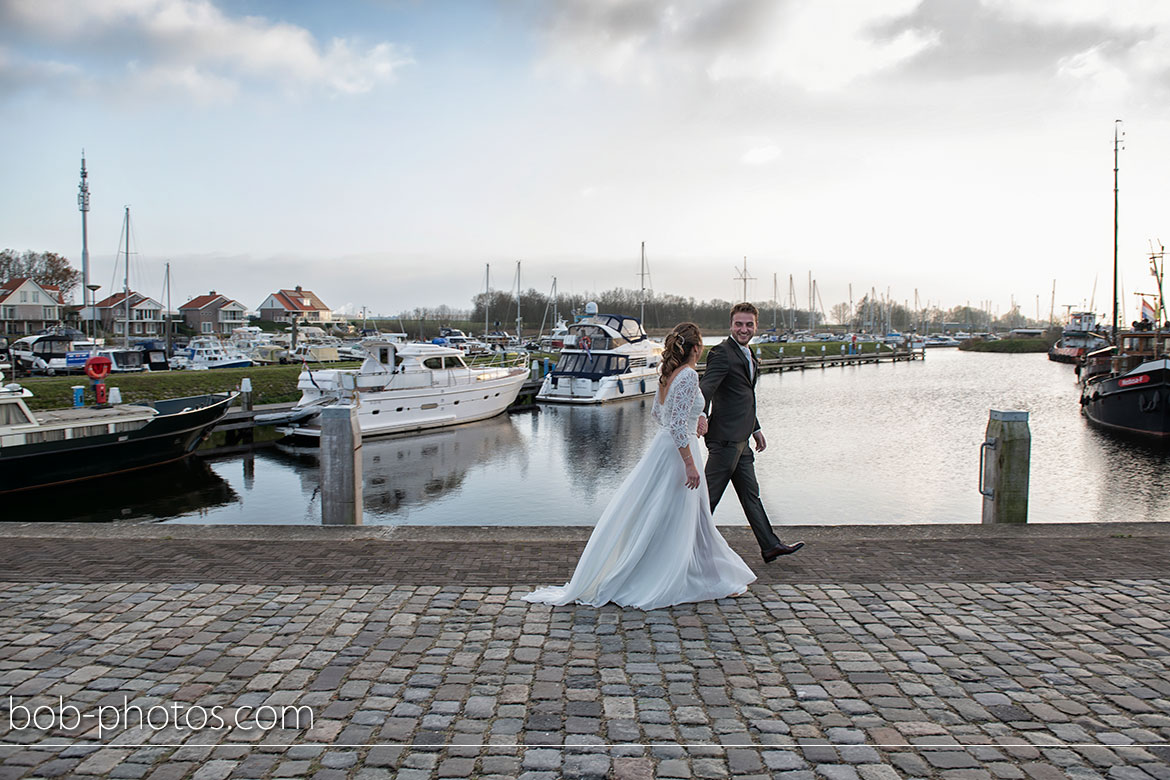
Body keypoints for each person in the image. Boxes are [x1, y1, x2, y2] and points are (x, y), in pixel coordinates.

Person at [524, 322, 756, 610]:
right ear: (696, 349)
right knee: (684, 517)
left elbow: (660, 415)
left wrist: (696, 418)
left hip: (665, 451)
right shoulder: (688, 377)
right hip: (678, 455)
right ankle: (690, 576)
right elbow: (673, 425)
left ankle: (703, 572)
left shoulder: (668, 375)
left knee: (676, 516)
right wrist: (689, 464)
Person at [698, 302, 804, 563]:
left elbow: (743, 396)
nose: (743, 329)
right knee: (707, 499)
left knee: (751, 496)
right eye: (738, 324)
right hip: (724, 440)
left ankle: (770, 546)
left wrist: (755, 428)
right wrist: (701, 413)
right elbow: (707, 387)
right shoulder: (721, 353)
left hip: (742, 439)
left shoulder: (748, 352)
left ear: (756, 326)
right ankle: (681, 545)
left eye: (748, 324)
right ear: (731, 325)